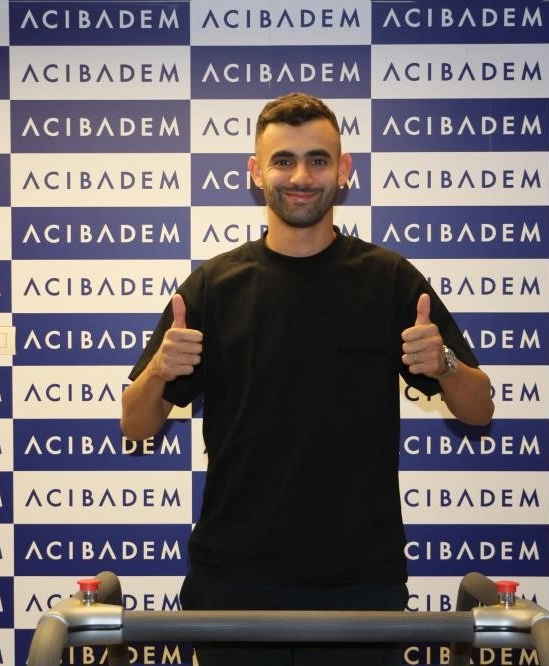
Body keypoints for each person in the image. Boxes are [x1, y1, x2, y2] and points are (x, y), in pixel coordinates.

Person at [121, 92, 494, 666]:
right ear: (256, 171)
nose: (300, 177)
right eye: (284, 161)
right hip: (233, 579)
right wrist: (158, 372)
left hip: (361, 581)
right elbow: (135, 422)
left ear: (343, 171)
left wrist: (442, 362)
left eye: (318, 160)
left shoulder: (390, 279)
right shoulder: (213, 287)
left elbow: (479, 409)